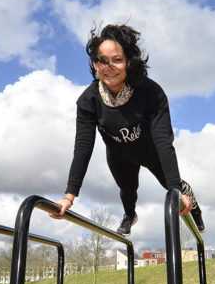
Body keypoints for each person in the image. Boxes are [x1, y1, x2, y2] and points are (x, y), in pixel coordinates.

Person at [51, 23, 205, 236]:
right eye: (102, 61)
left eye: (117, 60)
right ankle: (130, 215)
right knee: (127, 190)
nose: (109, 67)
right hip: (120, 154)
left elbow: (164, 141)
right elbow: (83, 149)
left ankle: (195, 209)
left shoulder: (151, 92)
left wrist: (175, 192)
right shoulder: (88, 101)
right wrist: (69, 197)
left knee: (175, 187)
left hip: (152, 151)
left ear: (128, 62)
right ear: (95, 64)